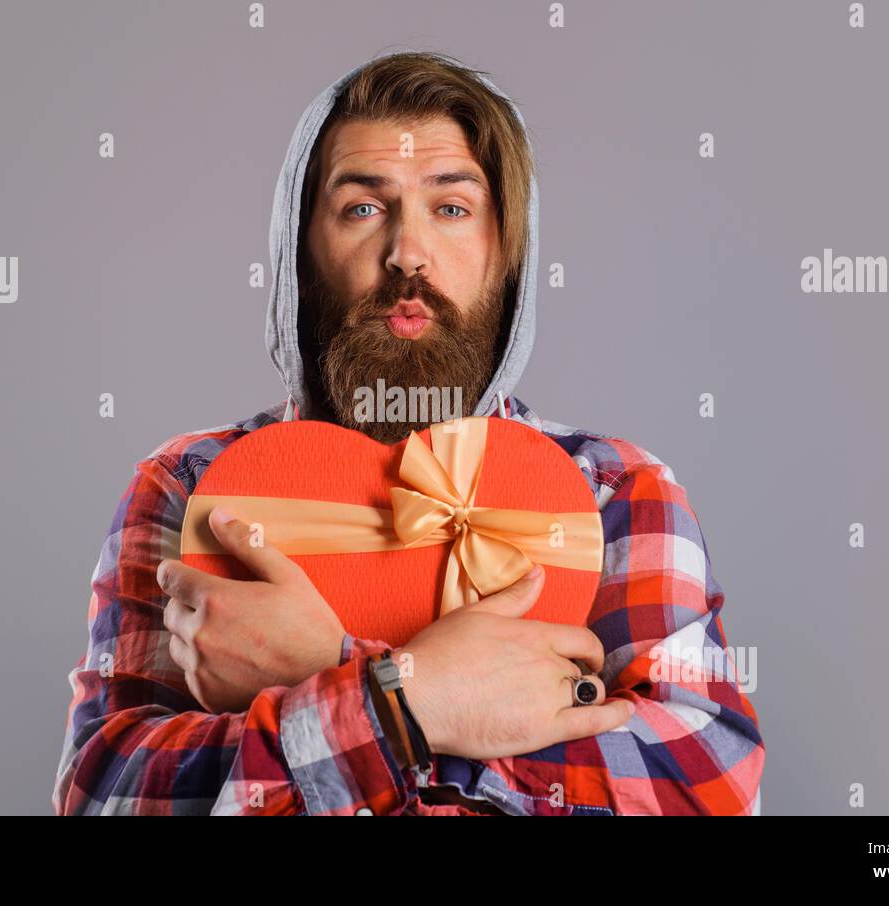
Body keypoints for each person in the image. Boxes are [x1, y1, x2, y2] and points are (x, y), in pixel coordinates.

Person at [52, 50, 765, 815]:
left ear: (508, 254)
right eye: (363, 208)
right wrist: (404, 705)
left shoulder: (617, 491)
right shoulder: (187, 484)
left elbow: (704, 785)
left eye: (451, 208)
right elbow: (105, 793)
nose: (407, 255)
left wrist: (339, 678)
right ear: (299, 253)